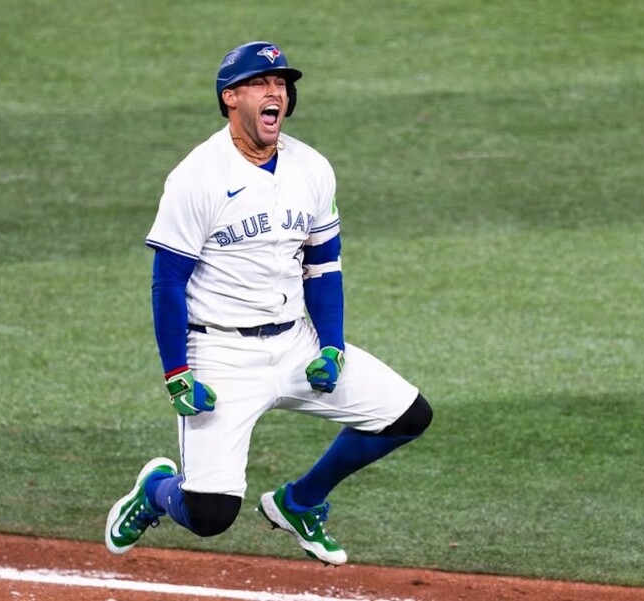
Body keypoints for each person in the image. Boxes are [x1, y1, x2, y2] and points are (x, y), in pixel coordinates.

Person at [105, 41, 433, 565]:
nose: (275, 92)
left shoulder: (312, 168)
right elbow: (167, 281)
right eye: (261, 83)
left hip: (296, 342)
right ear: (230, 98)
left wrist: (331, 347)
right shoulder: (197, 177)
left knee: (407, 416)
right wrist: (177, 374)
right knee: (210, 515)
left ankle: (299, 502)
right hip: (221, 354)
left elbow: (324, 266)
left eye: (281, 84)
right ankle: (156, 490)